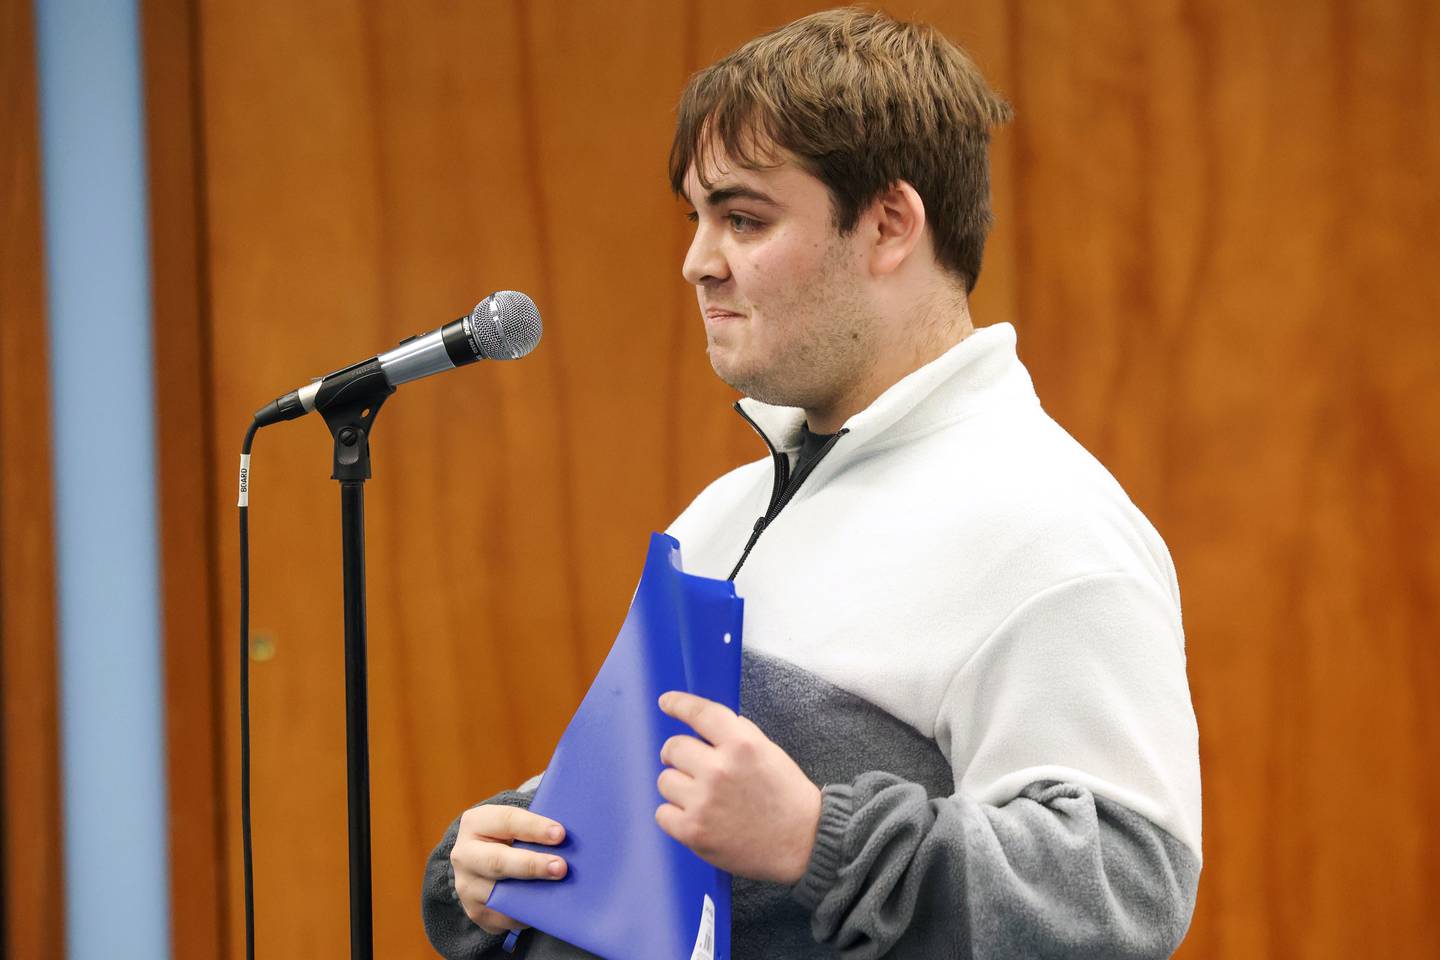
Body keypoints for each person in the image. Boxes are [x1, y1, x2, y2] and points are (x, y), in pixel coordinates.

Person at [422, 8, 1202, 959]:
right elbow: (663, 830)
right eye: (698, 218)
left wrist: (812, 840)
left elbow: (1126, 897)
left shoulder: (1053, 526)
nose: (697, 261)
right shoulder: (717, 517)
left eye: (743, 218)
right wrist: (500, 862)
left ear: (887, 226)